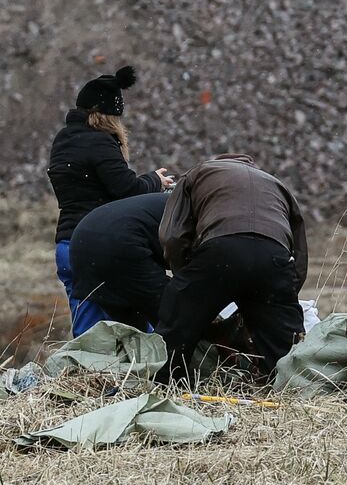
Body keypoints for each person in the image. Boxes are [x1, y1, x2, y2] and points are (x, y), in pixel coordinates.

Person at [156, 154, 308, 384]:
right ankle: (286, 388)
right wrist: (286, 292)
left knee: (178, 324)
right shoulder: (275, 183)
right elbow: (299, 249)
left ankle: (167, 383)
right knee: (282, 342)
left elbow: (173, 236)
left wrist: (185, 278)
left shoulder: (198, 172)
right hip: (273, 255)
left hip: (221, 249)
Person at [46, 65, 174, 335]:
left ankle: (85, 377)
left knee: (88, 334)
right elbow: (126, 188)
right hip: (100, 247)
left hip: (67, 246)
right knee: (144, 326)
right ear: (107, 116)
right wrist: (155, 181)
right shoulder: (100, 142)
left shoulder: (63, 140)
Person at [68, 192, 170, 332]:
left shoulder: (182, 203)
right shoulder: (195, 210)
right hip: (119, 243)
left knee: (130, 332)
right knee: (173, 317)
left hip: (82, 241)